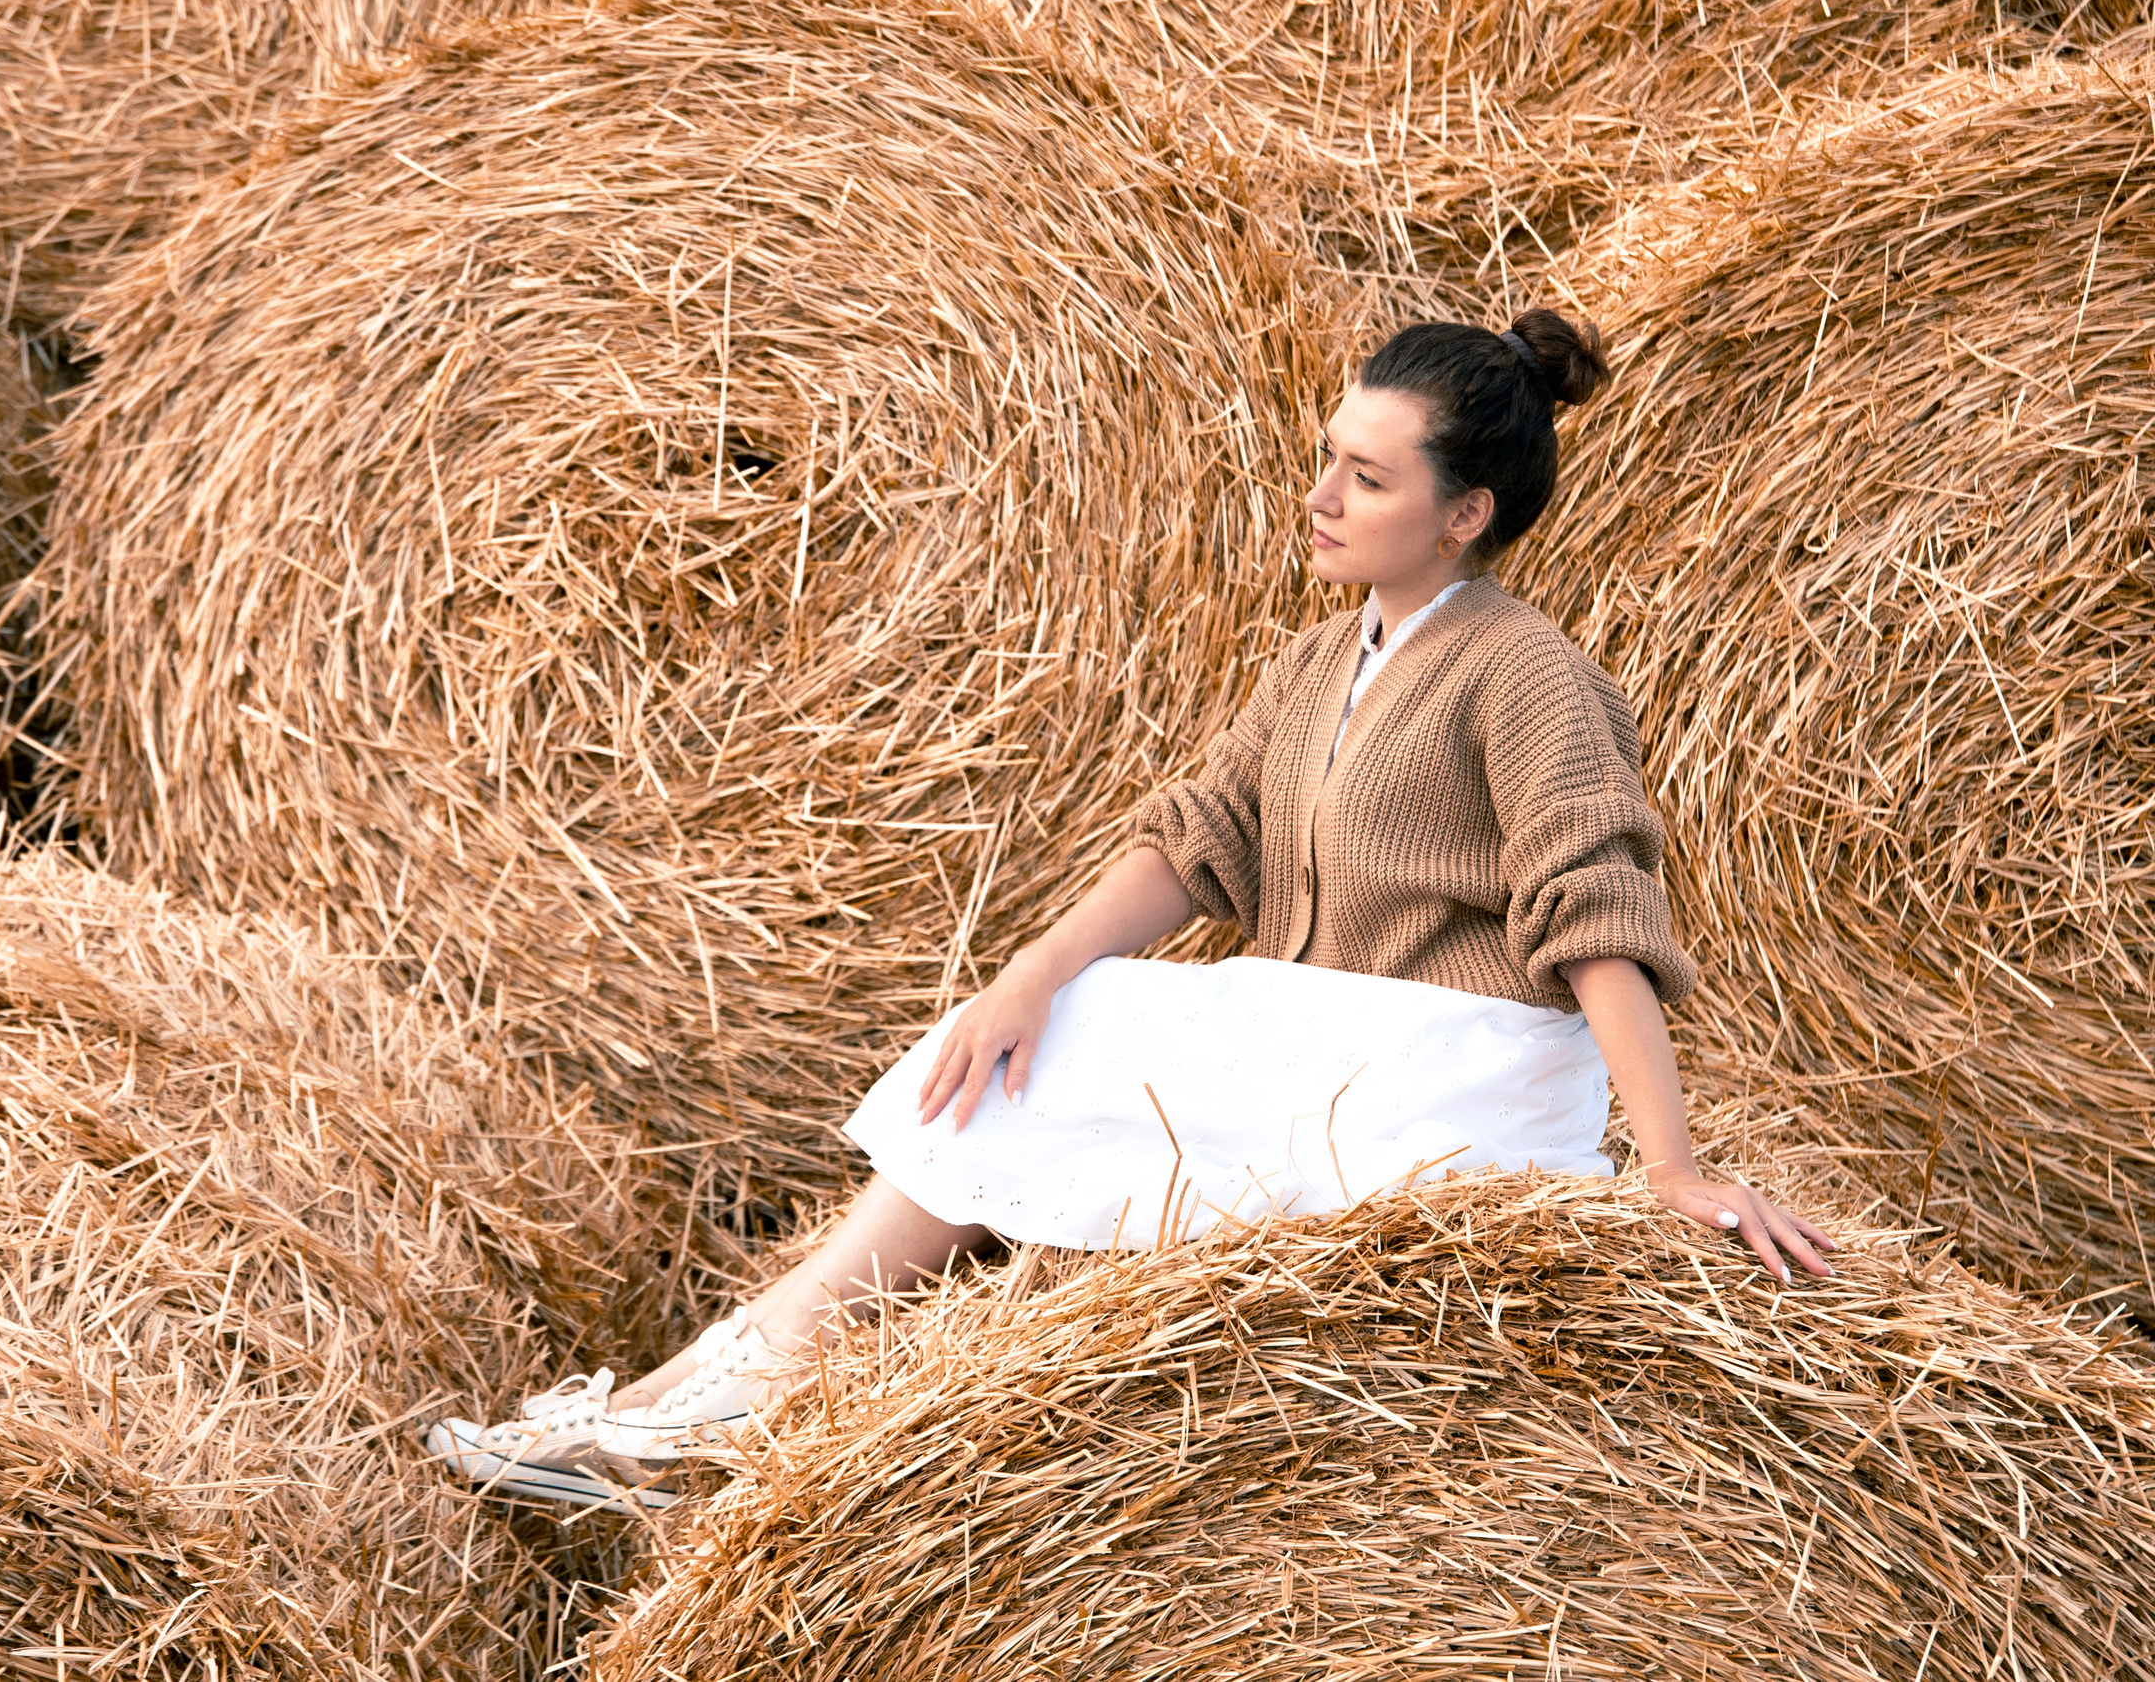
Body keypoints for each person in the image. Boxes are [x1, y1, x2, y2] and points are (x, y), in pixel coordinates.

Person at [424, 309, 1839, 1509]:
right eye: (1327, 463)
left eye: (1366, 477)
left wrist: (1666, 1169)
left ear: (1465, 515)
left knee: (1080, 1044)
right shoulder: (1318, 661)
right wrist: (1020, 980)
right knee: (1032, 1037)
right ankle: (680, 1405)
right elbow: (1198, 837)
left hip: (1450, 1075)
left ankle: (692, 1413)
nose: (1323, 499)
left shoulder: (1527, 676)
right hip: (1336, 1045)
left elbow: (1598, 915)